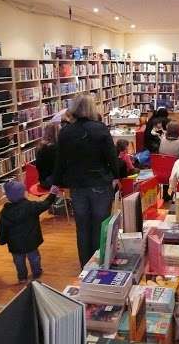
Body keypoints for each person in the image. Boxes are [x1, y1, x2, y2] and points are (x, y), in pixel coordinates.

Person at [53, 94, 120, 268]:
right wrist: (117, 175)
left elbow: (60, 161)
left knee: (82, 226)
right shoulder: (100, 128)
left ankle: (85, 265)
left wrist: (57, 182)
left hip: (77, 185)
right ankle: (100, 262)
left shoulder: (65, 132)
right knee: (100, 225)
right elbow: (111, 157)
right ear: (92, 108)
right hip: (99, 182)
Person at [0, 180, 60, 283]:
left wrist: (2, 240)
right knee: (34, 258)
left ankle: (22, 277)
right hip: (31, 241)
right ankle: (36, 273)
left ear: (8, 196)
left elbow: (1, 228)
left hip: (15, 245)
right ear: (23, 193)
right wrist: (52, 194)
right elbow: (45, 204)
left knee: (18, 261)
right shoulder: (31, 207)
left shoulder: (3, 213)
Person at [36, 122, 60, 189]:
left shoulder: (40, 147)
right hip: (51, 182)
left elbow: (38, 166)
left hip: (42, 181)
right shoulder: (57, 148)